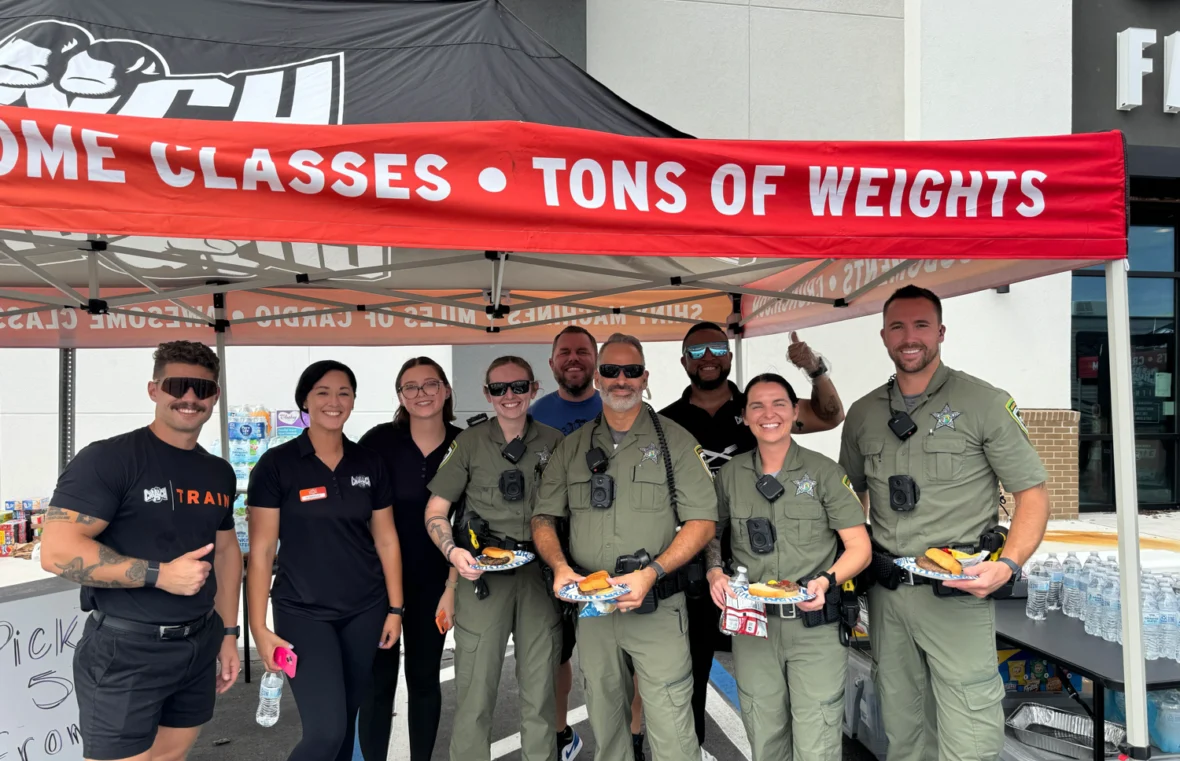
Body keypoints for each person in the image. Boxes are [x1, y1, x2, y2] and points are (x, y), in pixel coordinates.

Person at [838, 285, 1050, 761]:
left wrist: (1009, 565)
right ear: (884, 336)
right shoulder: (864, 413)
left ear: (940, 332)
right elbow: (848, 499)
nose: (909, 337)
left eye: (920, 325)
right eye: (897, 326)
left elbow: (1032, 496)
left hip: (957, 592)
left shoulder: (984, 403)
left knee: (969, 729)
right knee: (901, 723)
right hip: (888, 595)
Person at [39, 340, 241, 761]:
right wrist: (159, 574)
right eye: (178, 386)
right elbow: (57, 549)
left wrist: (227, 634)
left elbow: (225, 553)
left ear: (215, 397)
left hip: (199, 640)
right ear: (154, 390)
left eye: (202, 389)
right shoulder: (109, 459)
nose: (190, 398)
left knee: (171, 755)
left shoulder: (218, 471)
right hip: (126, 648)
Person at [659, 320, 845, 760]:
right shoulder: (666, 421)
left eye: (717, 348)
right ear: (684, 360)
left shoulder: (759, 407)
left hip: (761, 580)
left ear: (728, 355)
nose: (708, 357)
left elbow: (832, 414)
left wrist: (815, 370)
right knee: (684, 678)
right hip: (694, 573)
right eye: (697, 350)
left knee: (777, 699)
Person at [531, 333, 718, 761]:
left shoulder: (675, 442)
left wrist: (653, 571)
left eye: (631, 371)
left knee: (672, 726)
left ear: (645, 377)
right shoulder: (572, 447)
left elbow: (703, 520)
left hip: (656, 605)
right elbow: (544, 516)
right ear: (597, 377)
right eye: (611, 371)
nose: (621, 380)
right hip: (594, 611)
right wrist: (560, 566)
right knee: (605, 720)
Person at [706, 373, 870, 761]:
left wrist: (828, 580)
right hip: (753, 628)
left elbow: (859, 547)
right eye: (757, 406)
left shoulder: (825, 473)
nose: (768, 414)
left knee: (817, 738)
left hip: (814, 628)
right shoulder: (729, 476)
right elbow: (711, 533)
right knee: (764, 733)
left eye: (779, 403)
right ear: (744, 417)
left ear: (795, 412)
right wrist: (715, 571)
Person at [246, 360, 405, 761]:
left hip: (365, 610)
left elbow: (386, 540)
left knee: (345, 723)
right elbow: (263, 551)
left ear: (353, 401)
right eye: (323, 392)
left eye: (344, 393)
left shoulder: (368, 462)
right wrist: (258, 628)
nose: (334, 402)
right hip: (302, 612)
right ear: (305, 399)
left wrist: (395, 609)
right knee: (325, 731)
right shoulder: (276, 465)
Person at [423, 356, 565, 761]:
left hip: (539, 578)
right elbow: (437, 510)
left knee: (540, 695)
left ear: (534, 389)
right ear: (486, 394)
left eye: (519, 387)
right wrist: (453, 553)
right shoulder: (468, 443)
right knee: (474, 694)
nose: (509, 396)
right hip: (483, 581)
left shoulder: (556, 442)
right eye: (499, 389)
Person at [357, 357, 463, 761]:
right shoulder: (377, 442)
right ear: (400, 395)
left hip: (437, 583)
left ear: (446, 390)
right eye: (411, 387)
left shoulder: (464, 443)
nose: (422, 394)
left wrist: (452, 588)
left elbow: (469, 521)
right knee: (377, 682)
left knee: (424, 679)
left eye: (430, 384)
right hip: (379, 583)